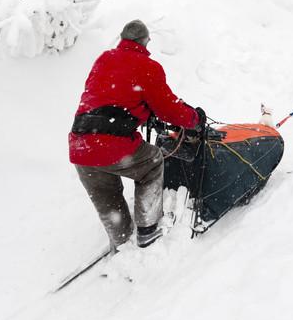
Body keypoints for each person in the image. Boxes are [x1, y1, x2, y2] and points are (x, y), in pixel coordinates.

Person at [69, 19, 204, 249]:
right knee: (151, 163)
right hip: (113, 144)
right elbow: (167, 108)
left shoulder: (104, 59)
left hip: (80, 146)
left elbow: (108, 97)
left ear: (123, 38)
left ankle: (121, 240)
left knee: (104, 188)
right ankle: (148, 230)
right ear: (144, 41)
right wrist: (194, 119)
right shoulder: (147, 67)